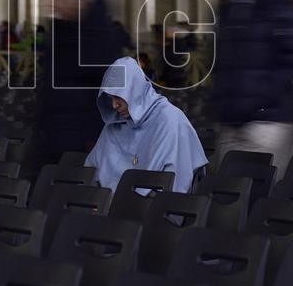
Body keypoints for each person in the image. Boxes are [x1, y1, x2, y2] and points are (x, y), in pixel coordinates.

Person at [210, 0, 293, 178]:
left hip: (269, 121)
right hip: (231, 122)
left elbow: (292, 61)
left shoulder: (278, 6)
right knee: (227, 198)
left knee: (261, 197)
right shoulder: (227, 10)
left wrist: (259, 100)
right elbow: (219, 62)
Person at [35, 0, 129, 162]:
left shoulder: (100, 39)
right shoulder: (59, 32)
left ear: (79, 1)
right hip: (54, 133)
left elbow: (110, 91)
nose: (52, 4)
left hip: (85, 138)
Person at [85, 57, 208, 193]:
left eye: (119, 96)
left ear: (134, 90)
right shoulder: (115, 122)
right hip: (108, 207)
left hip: (154, 209)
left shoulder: (170, 120)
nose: (114, 105)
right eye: (110, 98)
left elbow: (174, 189)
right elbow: (90, 173)